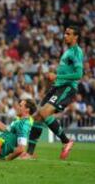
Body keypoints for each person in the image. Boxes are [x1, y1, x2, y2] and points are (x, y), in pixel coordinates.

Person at [22, 25, 84, 160]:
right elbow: (67, 71)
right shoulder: (67, 52)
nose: (65, 36)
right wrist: (53, 76)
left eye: (68, 34)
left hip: (66, 87)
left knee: (43, 113)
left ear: (76, 37)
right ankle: (29, 153)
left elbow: (79, 74)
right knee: (38, 116)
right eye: (65, 33)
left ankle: (66, 141)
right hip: (57, 87)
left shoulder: (76, 52)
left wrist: (57, 77)